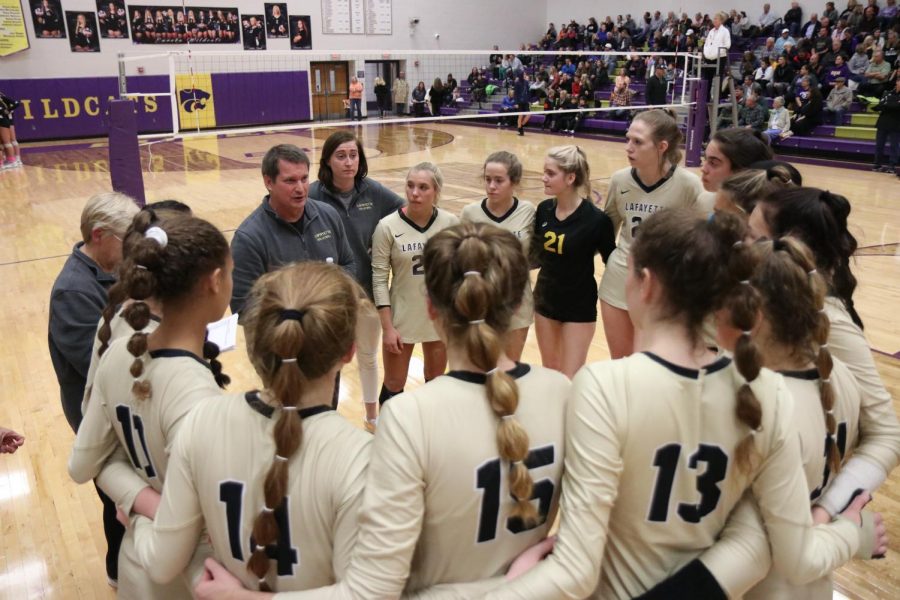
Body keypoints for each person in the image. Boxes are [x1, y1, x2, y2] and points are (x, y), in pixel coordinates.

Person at [483, 208, 883, 600]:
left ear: (647, 283)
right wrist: (850, 531)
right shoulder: (767, 391)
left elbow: (575, 571)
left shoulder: (605, 384)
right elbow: (789, 555)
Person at [198, 222, 571, 599]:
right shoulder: (565, 393)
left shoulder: (409, 416)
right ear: (523, 302)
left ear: (429, 306)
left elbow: (375, 590)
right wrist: (514, 584)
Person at [128, 261, 371, 595]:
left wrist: (138, 521)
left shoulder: (203, 420)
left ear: (255, 345)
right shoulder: (361, 458)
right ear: (349, 351)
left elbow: (163, 563)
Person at [68, 212, 232, 599]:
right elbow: (171, 553)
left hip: (133, 572)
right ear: (214, 282)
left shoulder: (119, 351)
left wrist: (141, 503)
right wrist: (147, 517)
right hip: (184, 577)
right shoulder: (197, 398)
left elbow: (85, 463)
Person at [749, 188, 900, 520]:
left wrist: (827, 511)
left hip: (789, 527)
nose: (743, 247)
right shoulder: (761, 304)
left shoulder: (828, 319)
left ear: (787, 247)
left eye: (753, 237)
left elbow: (887, 434)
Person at [308, 131, 404, 429]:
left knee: (367, 356)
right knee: (330, 360)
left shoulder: (373, 192)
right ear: (327, 161)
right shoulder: (312, 195)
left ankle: (372, 416)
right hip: (329, 299)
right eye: (341, 156)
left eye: (353, 155)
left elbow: (405, 212)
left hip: (367, 294)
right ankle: (324, 418)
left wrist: (385, 241)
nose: (349, 162)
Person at [600, 110, 703, 358]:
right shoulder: (619, 180)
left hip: (665, 289)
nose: (628, 147)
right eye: (628, 139)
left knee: (651, 365)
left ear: (662, 146)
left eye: (637, 142)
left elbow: (699, 242)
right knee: (621, 364)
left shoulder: (689, 185)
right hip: (618, 283)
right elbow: (606, 231)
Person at [229, 144, 354, 317]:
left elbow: (348, 264)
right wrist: (295, 314)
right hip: (282, 341)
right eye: (290, 181)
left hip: (329, 334)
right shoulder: (249, 238)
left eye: (304, 179)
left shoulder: (328, 215)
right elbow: (242, 307)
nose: (300, 188)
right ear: (268, 182)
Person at [371, 163, 459, 406]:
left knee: (436, 381)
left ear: (436, 192)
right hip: (401, 320)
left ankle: (430, 435)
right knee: (394, 384)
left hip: (438, 319)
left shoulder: (450, 223)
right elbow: (379, 280)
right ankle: (388, 435)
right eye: (410, 186)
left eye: (423, 187)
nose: (414, 193)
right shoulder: (387, 226)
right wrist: (387, 327)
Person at [533, 146, 615, 377]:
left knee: (570, 377)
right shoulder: (544, 210)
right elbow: (536, 255)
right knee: (550, 373)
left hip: (579, 307)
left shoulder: (597, 220)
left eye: (550, 173)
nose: (543, 178)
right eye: (544, 172)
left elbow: (612, 262)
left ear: (570, 178)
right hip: (545, 301)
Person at [460, 152, 536, 361]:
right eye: (488, 179)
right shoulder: (470, 213)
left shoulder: (528, 212)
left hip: (518, 304)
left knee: (510, 368)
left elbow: (533, 255)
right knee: (480, 368)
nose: (491, 186)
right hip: (481, 303)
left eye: (499, 180)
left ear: (514, 182)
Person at [698, 128, 774, 210]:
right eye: (705, 159)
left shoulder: (764, 217)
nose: (703, 169)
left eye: (713, 163)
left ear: (741, 171)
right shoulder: (705, 201)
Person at [871, 76, 900, 173]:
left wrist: (887, 105)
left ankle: (892, 166)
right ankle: (877, 164)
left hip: (896, 124)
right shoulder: (887, 93)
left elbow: (894, 107)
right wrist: (893, 104)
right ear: (896, 82)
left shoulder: (888, 96)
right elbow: (880, 106)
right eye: (899, 81)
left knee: (894, 146)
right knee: (879, 145)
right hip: (882, 123)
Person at [702, 12, 732, 99]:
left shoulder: (725, 31)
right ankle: (706, 98)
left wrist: (718, 53)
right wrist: (706, 53)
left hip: (720, 57)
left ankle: (717, 99)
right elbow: (707, 44)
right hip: (708, 58)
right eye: (714, 18)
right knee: (707, 79)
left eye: (716, 18)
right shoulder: (711, 31)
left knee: (718, 79)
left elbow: (727, 45)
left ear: (721, 21)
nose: (714, 20)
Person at [0, 91, 22, 170]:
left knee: (10, 141)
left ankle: (15, 160)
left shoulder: (3, 98)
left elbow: (16, 103)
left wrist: (8, 110)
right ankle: (10, 159)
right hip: (5, 121)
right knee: (6, 142)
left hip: (5, 122)